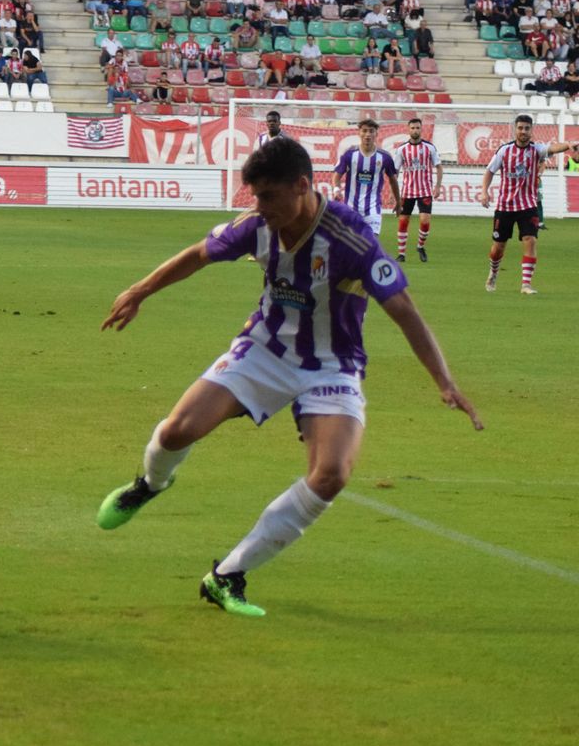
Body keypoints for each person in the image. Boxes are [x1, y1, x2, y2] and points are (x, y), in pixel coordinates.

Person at [95, 137, 483, 617]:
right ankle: (149, 486)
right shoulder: (257, 226)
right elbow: (198, 254)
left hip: (332, 366)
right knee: (177, 430)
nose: (258, 207)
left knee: (331, 475)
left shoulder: (350, 238)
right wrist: (139, 290)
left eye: (267, 196)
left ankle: (227, 575)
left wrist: (444, 381)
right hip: (265, 350)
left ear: (302, 185)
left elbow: (403, 309)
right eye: (254, 196)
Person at [479, 115, 574, 294]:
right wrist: (484, 191)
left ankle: (526, 284)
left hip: (528, 205)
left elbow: (553, 148)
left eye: (527, 128)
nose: (523, 131)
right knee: (498, 247)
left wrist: (568, 145)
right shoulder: (504, 151)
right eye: (520, 128)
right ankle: (493, 272)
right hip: (505, 206)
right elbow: (489, 171)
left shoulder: (536, 150)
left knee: (530, 240)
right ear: (515, 129)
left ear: (531, 130)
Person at [333, 118, 401, 239]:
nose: (368, 135)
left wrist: (398, 201)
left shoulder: (384, 157)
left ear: (376, 134)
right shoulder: (349, 154)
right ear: (359, 133)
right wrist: (336, 190)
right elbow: (336, 176)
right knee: (350, 246)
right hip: (351, 208)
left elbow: (393, 180)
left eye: (371, 131)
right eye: (364, 131)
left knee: (371, 244)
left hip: (373, 208)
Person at [394, 118, 443, 263]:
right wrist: (394, 192)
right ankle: (401, 254)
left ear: (421, 129)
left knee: (425, 220)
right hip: (407, 191)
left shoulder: (429, 147)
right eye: (413, 128)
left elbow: (439, 167)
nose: (415, 130)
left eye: (417, 128)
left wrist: (438, 186)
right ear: (408, 130)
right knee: (403, 220)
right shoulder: (402, 149)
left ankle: (420, 246)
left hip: (425, 190)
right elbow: (395, 172)